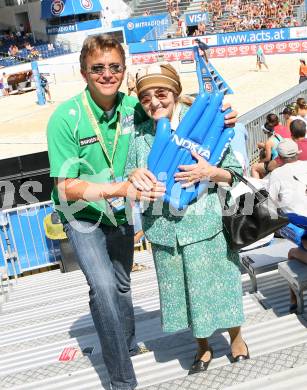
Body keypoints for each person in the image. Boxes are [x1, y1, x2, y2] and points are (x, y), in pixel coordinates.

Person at [47, 35, 165, 390]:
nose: (107, 74)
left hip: (120, 213)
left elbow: (167, 111)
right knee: (103, 289)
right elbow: (65, 186)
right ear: (84, 72)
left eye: (115, 67)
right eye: (98, 68)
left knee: (122, 286)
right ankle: (121, 380)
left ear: (123, 70)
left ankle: (126, 342)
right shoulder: (64, 118)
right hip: (81, 215)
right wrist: (118, 188)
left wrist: (218, 118)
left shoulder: (133, 107)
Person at [125, 64, 248, 375]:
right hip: (165, 234)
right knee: (185, 294)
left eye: (161, 93)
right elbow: (127, 176)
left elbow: (235, 173)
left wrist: (210, 172)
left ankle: (236, 338)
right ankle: (202, 347)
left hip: (205, 226)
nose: (154, 102)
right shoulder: (139, 136)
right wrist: (134, 175)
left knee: (222, 286)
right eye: (146, 98)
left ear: (176, 93)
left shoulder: (206, 126)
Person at [267, 139, 307, 313]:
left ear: (280, 157)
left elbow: (270, 205)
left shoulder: (277, 174)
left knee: (292, 252)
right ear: (297, 153)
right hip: (301, 222)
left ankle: (293, 299)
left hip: (294, 223)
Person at [251, 114, 283, 178]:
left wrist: (259, 162)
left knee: (254, 167)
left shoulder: (269, 142)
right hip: (282, 160)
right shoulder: (278, 136)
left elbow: (267, 158)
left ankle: (258, 186)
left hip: (276, 163)